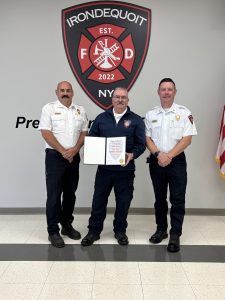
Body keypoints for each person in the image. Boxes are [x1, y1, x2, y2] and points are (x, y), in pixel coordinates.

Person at [81, 87, 146, 246]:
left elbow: (141, 144)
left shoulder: (136, 120)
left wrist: (132, 155)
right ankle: (94, 231)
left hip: (125, 170)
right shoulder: (101, 118)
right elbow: (92, 139)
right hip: (104, 170)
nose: (120, 100)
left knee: (123, 202)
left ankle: (120, 231)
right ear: (112, 100)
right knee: (99, 201)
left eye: (123, 97)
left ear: (127, 100)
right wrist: (91, 152)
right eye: (117, 97)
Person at [145, 78, 197, 252]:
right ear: (158, 92)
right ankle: (161, 230)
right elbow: (147, 138)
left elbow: (187, 139)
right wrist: (159, 155)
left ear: (175, 92)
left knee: (177, 198)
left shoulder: (184, 112)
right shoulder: (151, 114)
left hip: (177, 162)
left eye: (170, 89)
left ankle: (175, 234)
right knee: (159, 198)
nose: (166, 92)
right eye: (163, 89)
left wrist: (169, 156)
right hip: (156, 160)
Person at [38, 81, 88, 248]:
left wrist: (74, 149)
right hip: (55, 157)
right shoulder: (49, 109)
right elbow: (45, 132)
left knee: (70, 193)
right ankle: (53, 230)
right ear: (57, 92)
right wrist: (63, 151)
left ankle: (66, 225)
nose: (65, 93)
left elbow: (84, 133)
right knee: (53, 195)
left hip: (73, 157)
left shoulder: (80, 110)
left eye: (68, 90)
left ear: (72, 92)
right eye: (62, 90)